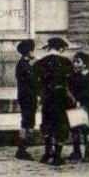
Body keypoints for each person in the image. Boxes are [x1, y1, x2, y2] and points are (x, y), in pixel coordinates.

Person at [31, 36, 75, 166]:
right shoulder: (66, 62)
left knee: (47, 123)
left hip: (47, 97)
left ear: (49, 48)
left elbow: (35, 83)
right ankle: (57, 156)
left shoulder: (40, 62)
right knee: (61, 124)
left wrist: (39, 96)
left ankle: (47, 152)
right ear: (61, 49)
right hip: (61, 97)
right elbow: (71, 82)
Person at [70, 51, 89, 162]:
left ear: (85, 64)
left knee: (86, 131)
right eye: (74, 62)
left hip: (87, 108)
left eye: (78, 62)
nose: (75, 64)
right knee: (75, 130)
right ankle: (76, 151)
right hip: (75, 108)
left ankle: (87, 152)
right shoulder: (73, 78)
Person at [14, 38, 37, 160]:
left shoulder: (25, 65)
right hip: (27, 98)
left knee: (28, 122)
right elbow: (29, 83)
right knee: (26, 122)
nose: (34, 53)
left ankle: (23, 148)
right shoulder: (24, 66)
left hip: (28, 97)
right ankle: (22, 149)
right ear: (28, 52)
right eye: (32, 51)